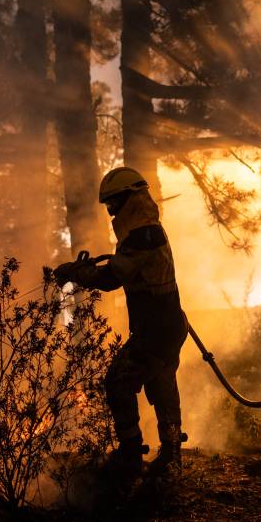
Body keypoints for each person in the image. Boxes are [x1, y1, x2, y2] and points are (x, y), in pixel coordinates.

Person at [53, 167, 188, 486]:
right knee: (161, 386)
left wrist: (77, 273)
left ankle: (130, 456)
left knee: (118, 382)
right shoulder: (147, 229)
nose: (112, 212)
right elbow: (122, 267)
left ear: (129, 199)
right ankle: (171, 456)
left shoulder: (143, 234)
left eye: (113, 205)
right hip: (166, 326)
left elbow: (114, 277)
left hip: (155, 332)